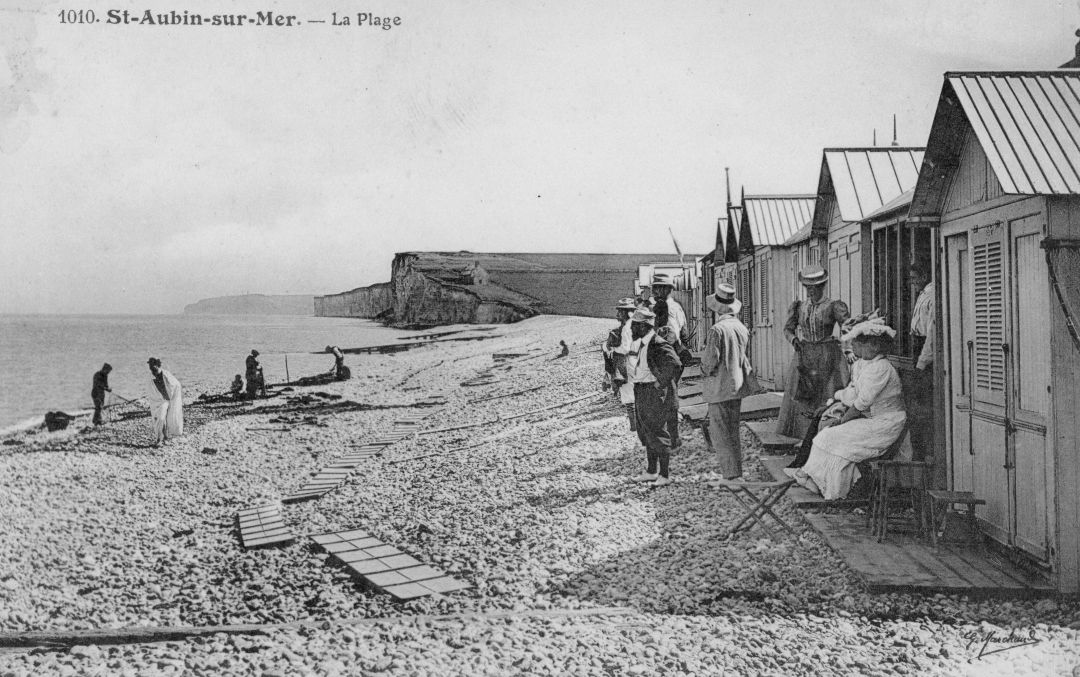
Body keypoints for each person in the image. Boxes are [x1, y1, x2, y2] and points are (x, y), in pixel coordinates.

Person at [784, 321, 907, 500]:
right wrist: (838, 397)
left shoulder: (881, 368)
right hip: (873, 419)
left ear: (872, 346)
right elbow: (853, 393)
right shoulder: (868, 365)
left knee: (833, 435)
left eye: (858, 343)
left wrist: (842, 420)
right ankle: (818, 478)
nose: (854, 346)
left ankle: (830, 486)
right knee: (828, 434)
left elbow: (861, 402)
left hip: (886, 423)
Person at [776, 266, 852, 439]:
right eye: (808, 288)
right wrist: (794, 340)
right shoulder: (799, 307)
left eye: (815, 287)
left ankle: (824, 434)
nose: (811, 291)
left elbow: (848, 328)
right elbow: (788, 329)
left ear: (822, 287)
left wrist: (847, 348)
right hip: (805, 354)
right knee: (804, 394)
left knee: (827, 393)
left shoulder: (833, 306)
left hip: (827, 353)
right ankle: (805, 437)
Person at [627, 307, 682, 487]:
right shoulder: (645, 342)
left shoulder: (658, 343)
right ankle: (651, 471)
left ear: (643, 326)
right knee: (647, 432)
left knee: (658, 432)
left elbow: (675, 364)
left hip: (652, 393)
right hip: (642, 391)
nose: (631, 329)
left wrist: (660, 385)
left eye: (634, 325)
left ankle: (664, 475)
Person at [700, 285, 752, 480]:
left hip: (719, 386)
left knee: (720, 433)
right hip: (737, 385)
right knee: (733, 430)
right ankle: (736, 471)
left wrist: (703, 370)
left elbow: (710, 361)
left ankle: (730, 475)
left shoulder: (717, 330)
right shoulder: (741, 327)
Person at [648, 272, 690, 449]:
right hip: (675, 355)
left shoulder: (665, 308)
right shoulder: (677, 307)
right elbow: (685, 333)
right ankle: (671, 436)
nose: (656, 291)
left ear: (667, 289)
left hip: (667, 356)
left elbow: (669, 335)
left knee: (666, 396)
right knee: (669, 394)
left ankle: (671, 438)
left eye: (659, 288)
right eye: (655, 287)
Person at [603, 297, 639, 429]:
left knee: (628, 392)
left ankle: (634, 426)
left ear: (627, 312)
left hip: (628, 361)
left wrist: (610, 348)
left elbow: (625, 348)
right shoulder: (636, 323)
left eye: (620, 312)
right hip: (637, 360)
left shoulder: (626, 328)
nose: (618, 315)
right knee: (635, 391)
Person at [148, 358, 183, 446]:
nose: (151, 368)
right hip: (158, 401)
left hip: (168, 399)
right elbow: (150, 389)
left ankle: (163, 439)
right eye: (150, 366)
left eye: (152, 366)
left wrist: (171, 397)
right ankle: (161, 439)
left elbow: (177, 384)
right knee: (160, 419)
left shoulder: (166, 375)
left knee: (164, 419)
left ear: (157, 365)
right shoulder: (151, 376)